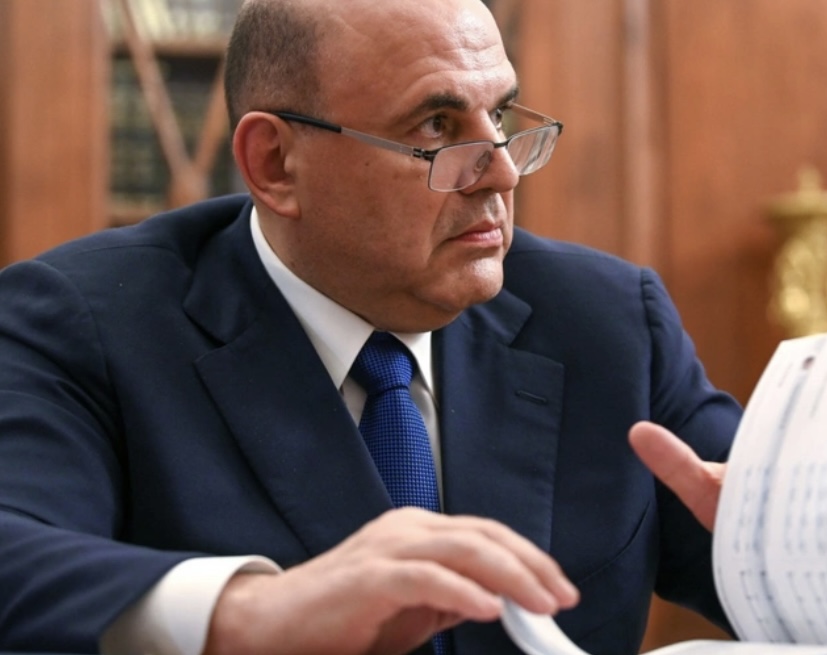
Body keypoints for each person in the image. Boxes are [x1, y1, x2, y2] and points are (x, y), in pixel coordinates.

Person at [0, 0, 741, 653]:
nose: (502, 172)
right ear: (275, 163)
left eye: (502, 116)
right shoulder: (84, 322)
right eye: (437, 127)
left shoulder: (607, 319)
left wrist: (782, 536)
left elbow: (749, 525)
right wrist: (253, 611)